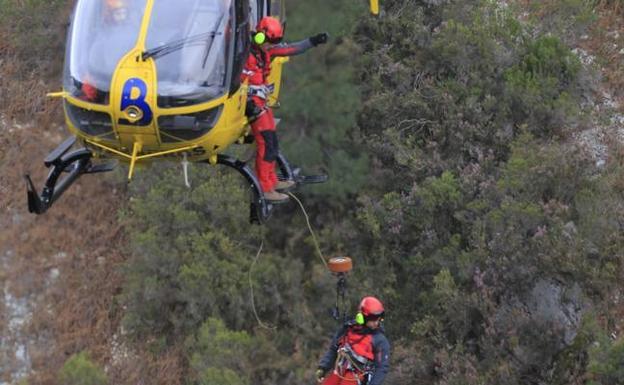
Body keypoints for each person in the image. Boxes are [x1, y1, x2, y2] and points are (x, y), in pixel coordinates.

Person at [242, 16, 328, 203]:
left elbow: (291, 48)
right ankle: (265, 188)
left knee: (272, 142)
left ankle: (272, 181)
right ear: (259, 37)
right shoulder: (242, 53)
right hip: (251, 105)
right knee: (266, 143)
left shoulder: (267, 52)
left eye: (275, 42)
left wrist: (312, 41)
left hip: (261, 103)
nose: (271, 46)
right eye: (270, 41)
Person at [316, 296, 391, 385]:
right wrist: (323, 367)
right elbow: (333, 349)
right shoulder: (347, 330)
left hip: (357, 378)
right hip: (340, 372)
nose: (376, 323)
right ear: (362, 317)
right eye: (373, 319)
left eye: (379, 319)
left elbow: (381, 368)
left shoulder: (379, 340)